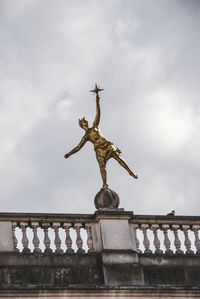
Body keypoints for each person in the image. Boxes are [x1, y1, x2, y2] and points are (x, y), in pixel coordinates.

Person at [64, 84, 138, 188]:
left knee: (119, 158)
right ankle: (105, 183)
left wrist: (97, 101)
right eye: (83, 123)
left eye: (85, 122)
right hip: (99, 149)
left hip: (106, 144)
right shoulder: (86, 137)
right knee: (102, 166)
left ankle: (130, 172)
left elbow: (98, 113)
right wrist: (69, 153)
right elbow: (78, 147)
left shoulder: (95, 126)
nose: (85, 123)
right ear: (82, 126)